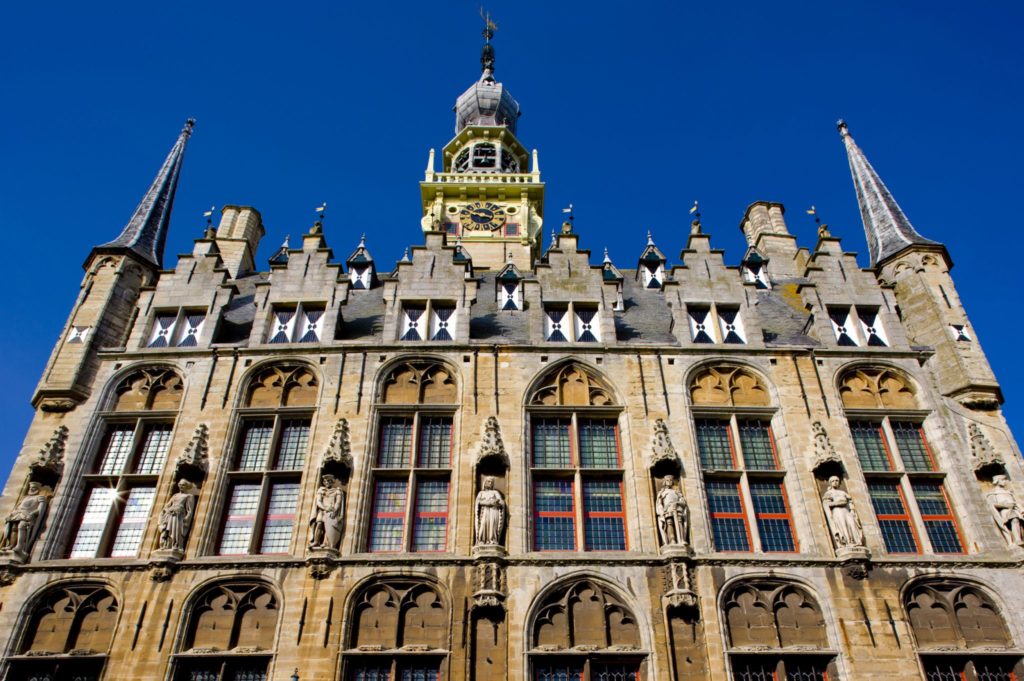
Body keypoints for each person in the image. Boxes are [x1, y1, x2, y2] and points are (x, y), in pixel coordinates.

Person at [0, 481, 49, 556]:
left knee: (21, 526)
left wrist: (32, 514)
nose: (32, 489)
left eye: (34, 488)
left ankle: (20, 546)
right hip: (18, 514)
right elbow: (18, 507)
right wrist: (12, 514)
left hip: (28, 516)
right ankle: (11, 545)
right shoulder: (25, 498)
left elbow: (39, 510)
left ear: (38, 489)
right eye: (31, 488)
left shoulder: (39, 498)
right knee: (14, 528)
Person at [821, 476, 864, 548]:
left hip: (846, 511)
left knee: (852, 525)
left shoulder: (843, 492)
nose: (835, 482)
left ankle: (855, 541)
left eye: (837, 481)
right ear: (830, 483)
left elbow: (850, 502)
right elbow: (826, 504)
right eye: (833, 481)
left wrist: (852, 510)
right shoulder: (829, 493)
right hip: (837, 511)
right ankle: (846, 542)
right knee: (843, 525)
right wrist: (839, 503)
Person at [159, 479, 197, 551]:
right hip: (170, 515)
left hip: (179, 516)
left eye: (183, 485)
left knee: (176, 531)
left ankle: (175, 545)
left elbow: (190, 510)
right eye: (180, 485)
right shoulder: (175, 495)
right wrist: (167, 510)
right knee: (167, 530)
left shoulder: (189, 496)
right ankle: (166, 545)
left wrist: (186, 519)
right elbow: (167, 506)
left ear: (186, 486)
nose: (181, 486)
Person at [987, 474, 1024, 547]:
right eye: (1003, 480)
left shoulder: (1008, 491)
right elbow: (992, 504)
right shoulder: (993, 492)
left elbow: (1015, 501)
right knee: (1014, 519)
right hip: (1005, 511)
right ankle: (1017, 540)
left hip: (1014, 509)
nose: (1004, 482)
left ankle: (1019, 538)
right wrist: (1004, 505)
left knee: (1018, 523)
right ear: (997, 481)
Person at [309, 475, 344, 550]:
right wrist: (324, 508)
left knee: (328, 526)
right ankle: (316, 541)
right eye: (325, 481)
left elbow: (338, 502)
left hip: (331, 511)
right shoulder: (321, 490)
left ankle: (326, 543)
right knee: (319, 524)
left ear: (332, 482)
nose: (327, 483)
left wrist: (334, 511)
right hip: (322, 510)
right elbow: (318, 501)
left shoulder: (337, 491)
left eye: (329, 481)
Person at [656, 476, 689, 546]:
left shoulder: (676, 492)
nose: (669, 482)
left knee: (679, 522)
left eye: (671, 480)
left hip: (677, 509)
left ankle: (681, 539)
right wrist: (662, 510)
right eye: (667, 480)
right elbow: (659, 503)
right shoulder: (662, 492)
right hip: (667, 509)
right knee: (669, 522)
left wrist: (677, 503)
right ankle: (672, 540)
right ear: (665, 482)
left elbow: (683, 502)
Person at [474, 476, 506, 546]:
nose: (490, 483)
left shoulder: (495, 492)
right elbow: (478, 502)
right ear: (485, 483)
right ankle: (481, 540)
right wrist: (488, 502)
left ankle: (493, 540)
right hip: (484, 511)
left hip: (493, 511)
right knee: (483, 524)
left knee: (492, 525)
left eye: (491, 482)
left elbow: (501, 502)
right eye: (488, 481)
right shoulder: (481, 493)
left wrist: (497, 502)